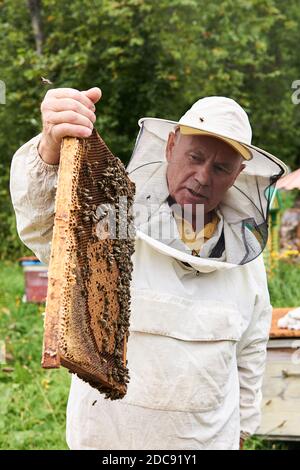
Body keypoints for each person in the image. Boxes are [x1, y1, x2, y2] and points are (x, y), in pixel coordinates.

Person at [10, 88, 287, 450]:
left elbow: (250, 351)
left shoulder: (244, 261)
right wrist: (49, 147)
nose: (203, 177)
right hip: (108, 443)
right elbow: (45, 226)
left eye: (220, 167)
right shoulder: (114, 224)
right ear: (171, 146)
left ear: (239, 173)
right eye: (195, 157)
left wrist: (241, 431)